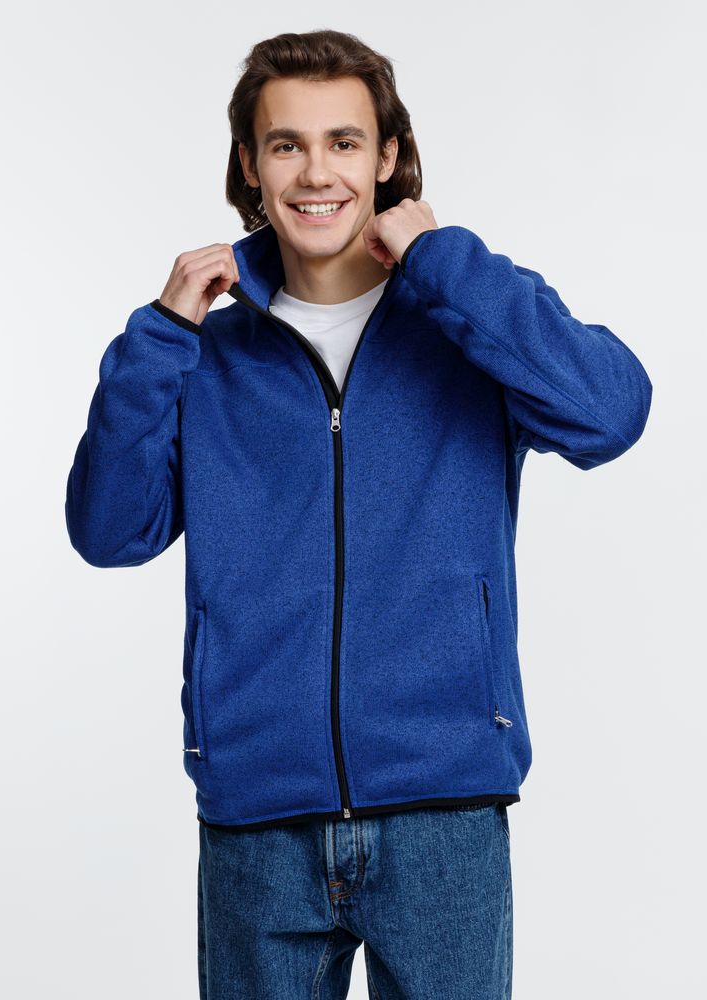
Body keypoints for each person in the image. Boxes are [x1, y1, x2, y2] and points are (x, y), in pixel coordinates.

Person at [65, 28, 653, 1000]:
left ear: (387, 158)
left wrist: (442, 261)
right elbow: (109, 529)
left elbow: (609, 413)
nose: (315, 172)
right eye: (286, 144)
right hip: (258, 819)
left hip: (443, 810)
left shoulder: (465, 326)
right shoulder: (206, 354)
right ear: (250, 166)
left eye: (343, 141)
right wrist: (162, 333)